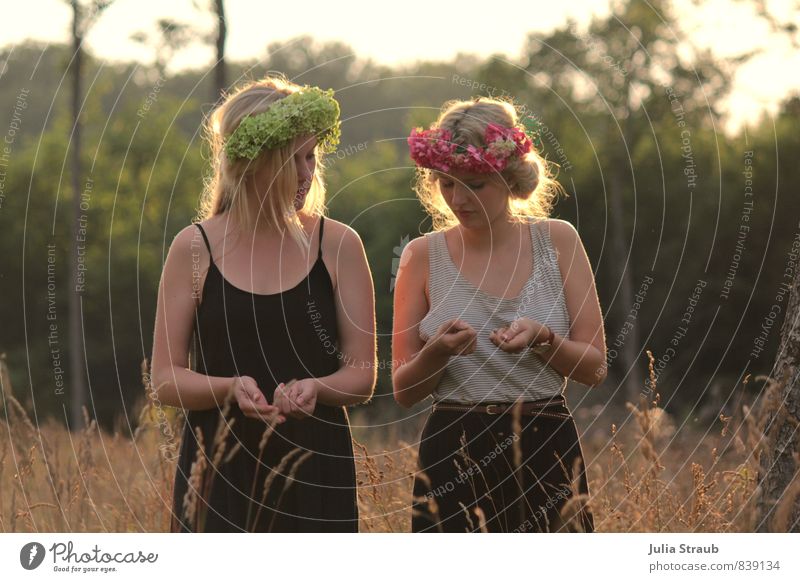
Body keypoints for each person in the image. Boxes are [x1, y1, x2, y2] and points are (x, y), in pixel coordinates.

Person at [150, 76, 376, 532]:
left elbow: (362, 376)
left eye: (311, 156)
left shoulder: (338, 244)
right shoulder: (193, 249)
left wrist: (318, 388)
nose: (307, 172)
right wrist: (228, 388)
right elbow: (165, 379)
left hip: (316, 468)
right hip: (219, 468)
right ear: (252, 164)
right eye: (292, 159)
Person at [392, 97, 606, 532]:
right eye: (447, 183)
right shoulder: (421, 256)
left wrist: (545, 339)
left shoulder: (558, 241)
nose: (458, 198)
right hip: (453, 451)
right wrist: (437, 353)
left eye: (475, 184)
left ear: (510, 178)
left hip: (545, 445)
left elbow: (595, 367)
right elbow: (403, 389)